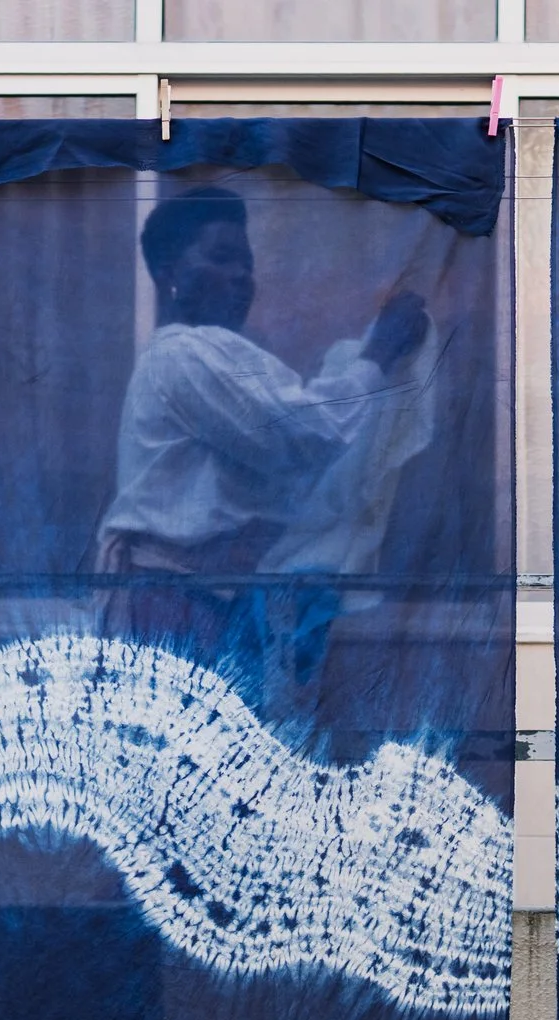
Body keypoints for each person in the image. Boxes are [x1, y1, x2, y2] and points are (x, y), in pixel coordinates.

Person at [94, 188, 439, 696]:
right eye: (220, 257)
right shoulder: (184, 357)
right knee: (190, 756)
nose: (241, 277)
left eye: (247, 263)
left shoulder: (218, 357)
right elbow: (302, 432)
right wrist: (377, 356)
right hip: (173, 604)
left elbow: (293, 463)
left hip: (209, 600)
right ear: (168, 274)